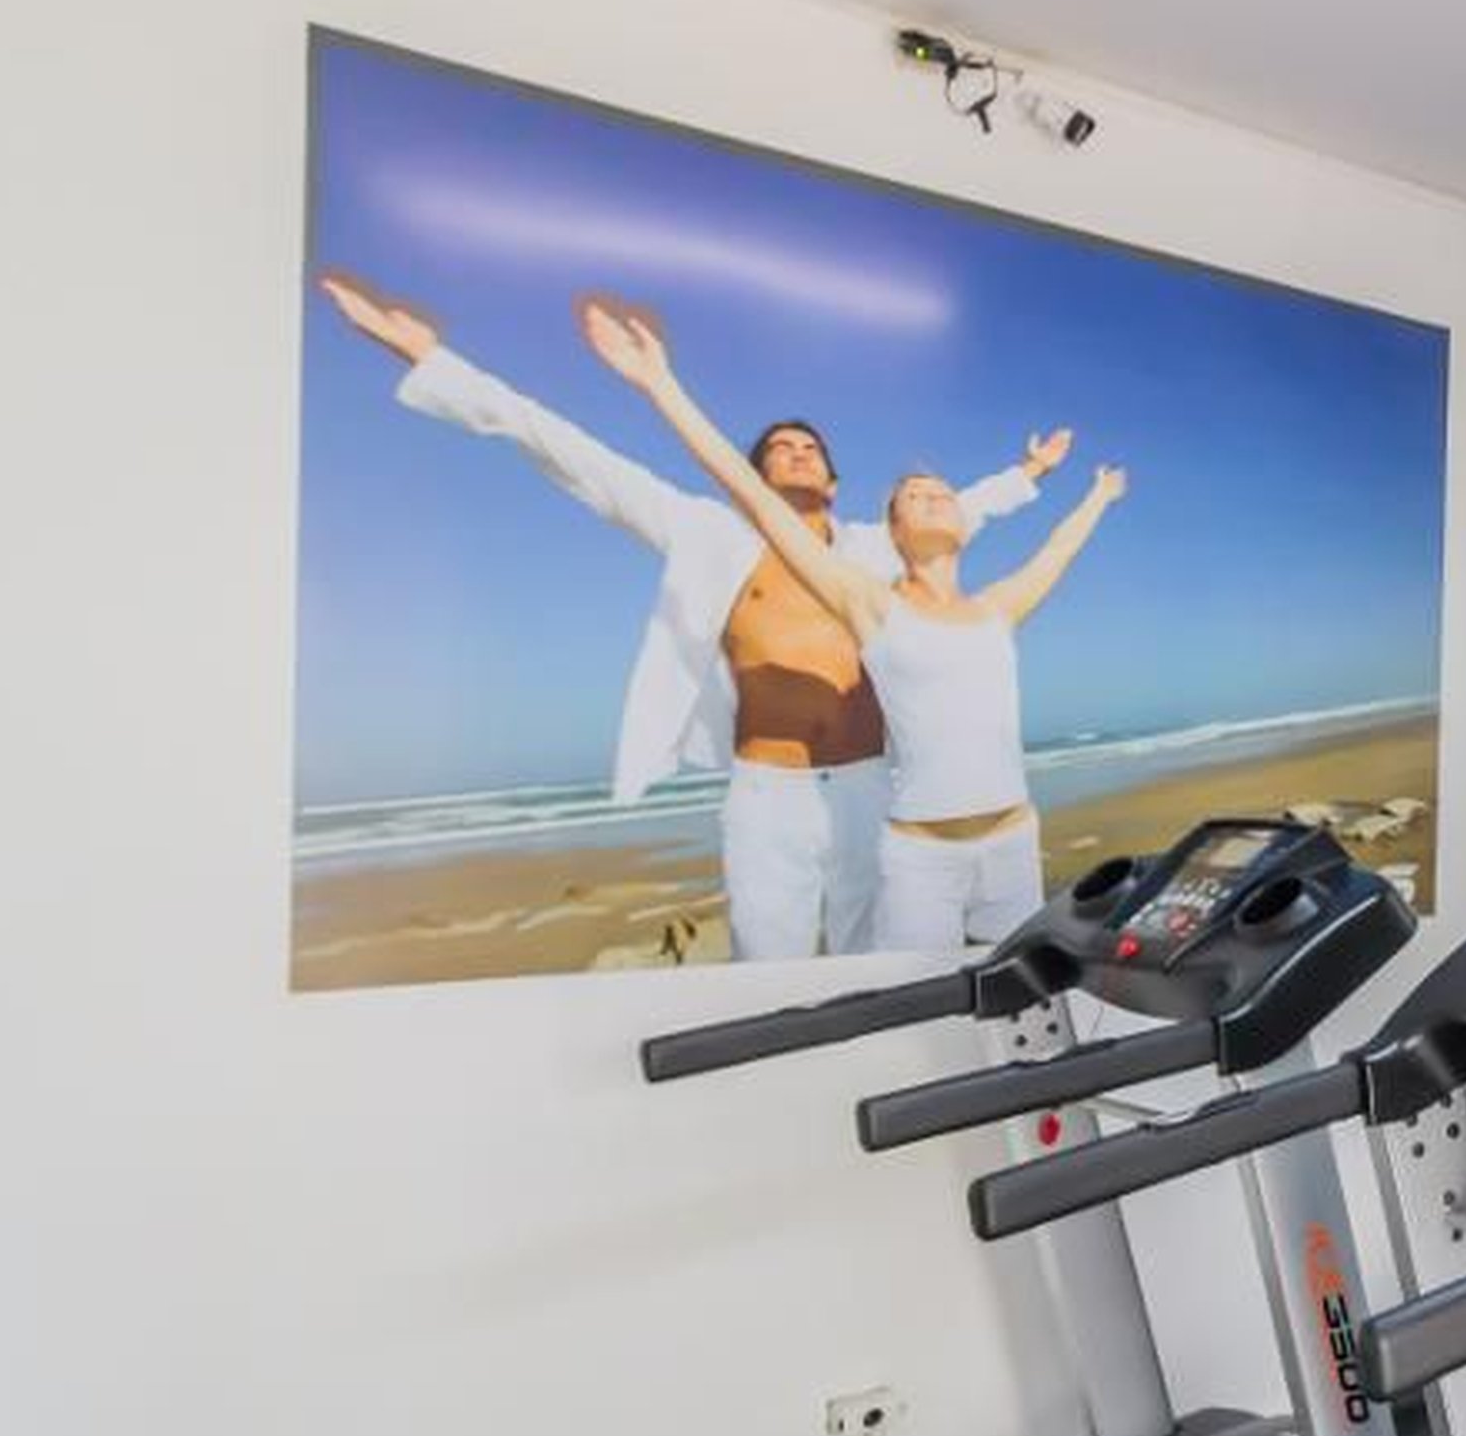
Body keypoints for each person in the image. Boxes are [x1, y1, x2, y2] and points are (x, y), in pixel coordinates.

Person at [316, 272, 1070, 960]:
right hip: (769, 796)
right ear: (754, 474)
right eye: (779, 448)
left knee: (877, 966)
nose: (797, 453)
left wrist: (1028, 473)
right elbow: (573, 453)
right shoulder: (707, 532)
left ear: (836, 483)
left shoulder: (873, 550)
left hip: (872, 786)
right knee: (766, 972)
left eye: (810, 447)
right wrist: (433, 360)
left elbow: (954, 510)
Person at [586, 297, 1126, 951]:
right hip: (916, 853)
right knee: (878, 982)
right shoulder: (870, 603)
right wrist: (660, 385)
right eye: (913, 497)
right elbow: (747, 490)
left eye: (942, 494)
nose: (934, 498)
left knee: (1015, 981)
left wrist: (1094, 494)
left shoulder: (996, 607)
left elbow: (1057, 552)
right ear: (892, 534)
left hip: (1013, 841)